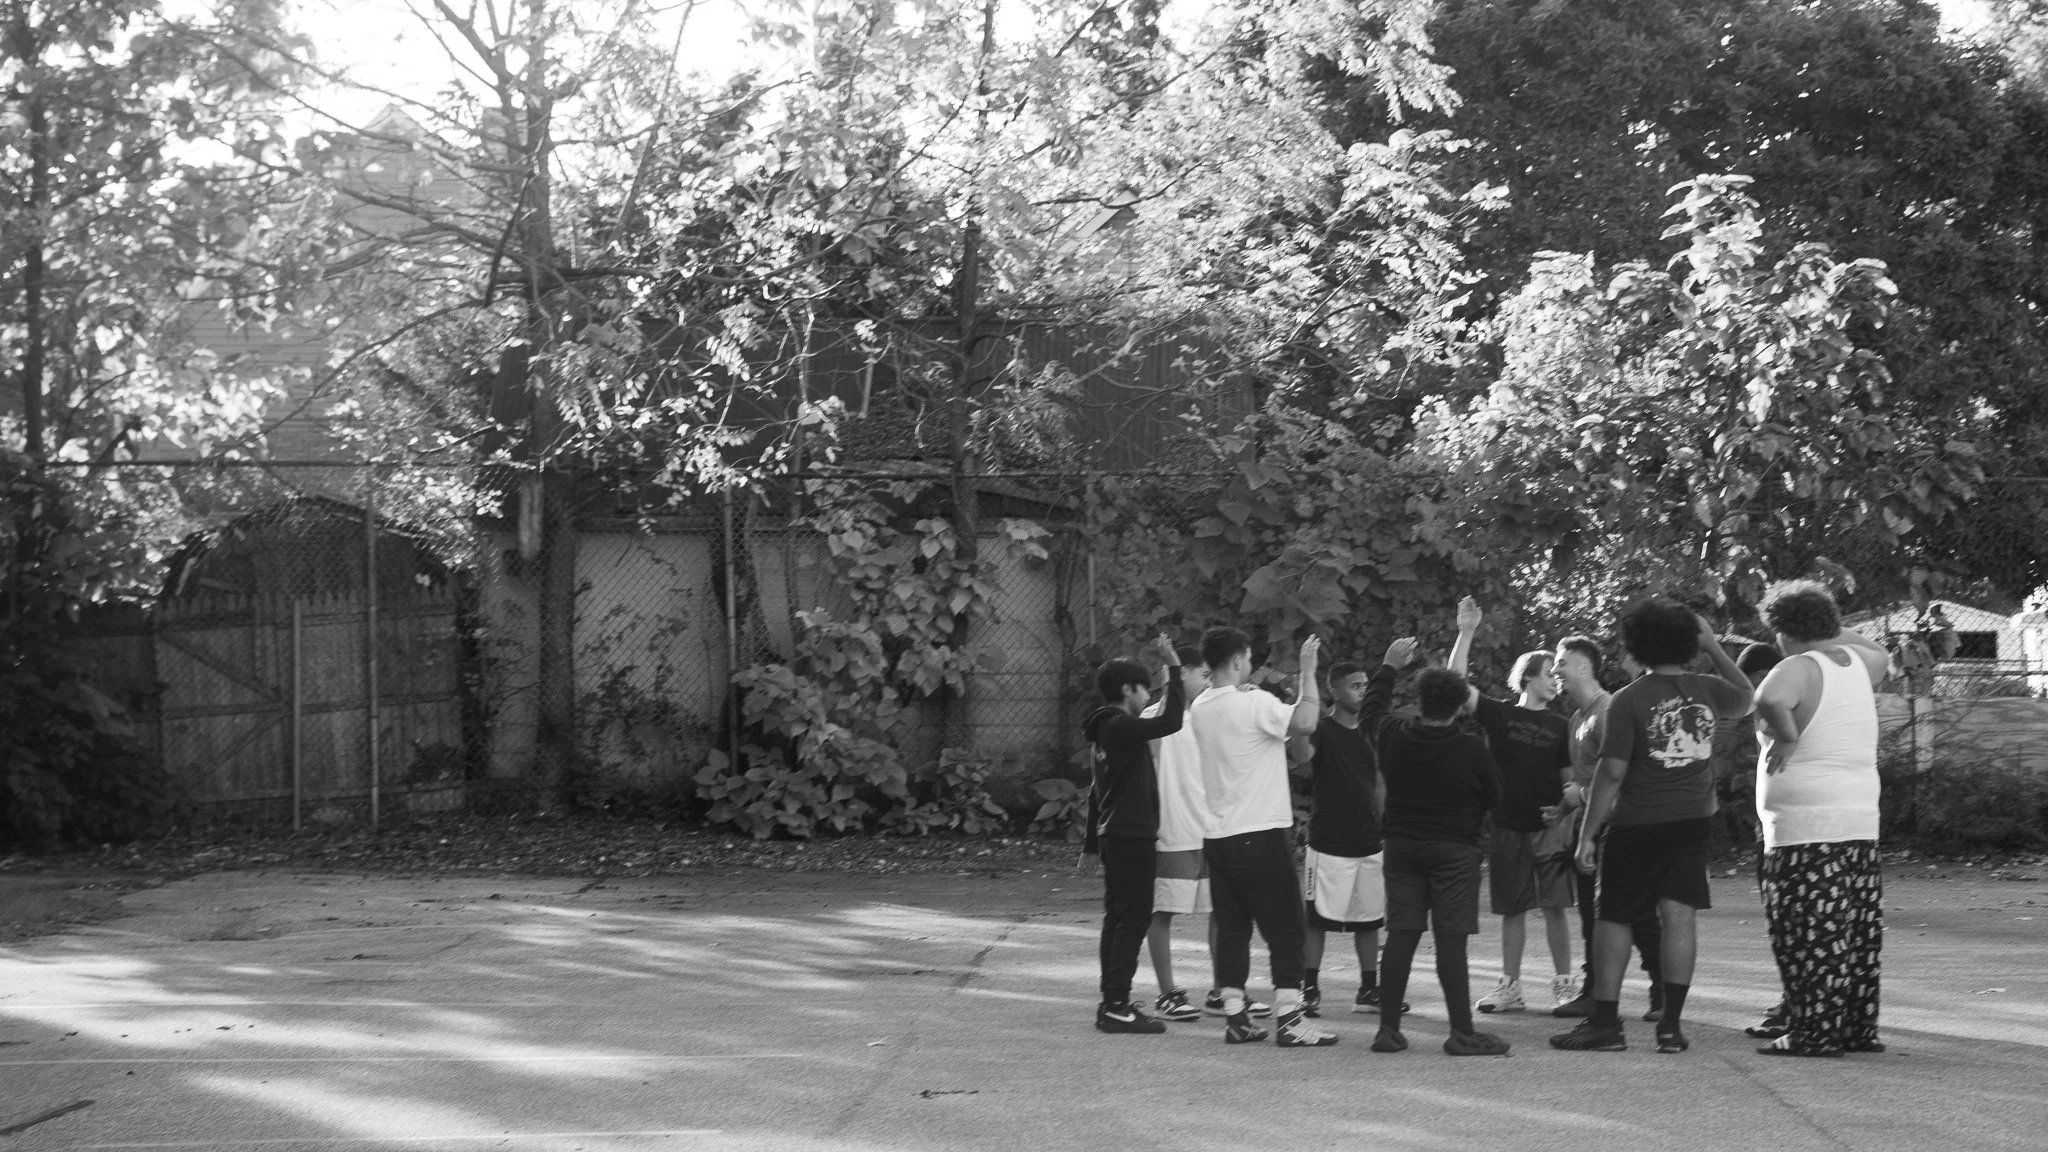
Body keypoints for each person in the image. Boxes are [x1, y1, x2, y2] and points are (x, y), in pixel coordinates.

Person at [1551, 599, 1752, 1055]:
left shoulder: (1628, 701)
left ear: (1636, 646)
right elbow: (1745, 697)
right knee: (1678, 916)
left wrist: (1587, 835)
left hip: (1637, 823)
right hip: (1692, 823)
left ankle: (1605, 1023)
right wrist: (1714, 646)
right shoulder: (1705, 688)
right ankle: (1671, 1028)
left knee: (1614, 917)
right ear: (1687, 643)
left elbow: (1611, 773)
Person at [1752, 581, 1890, 1057]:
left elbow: (1767, 699)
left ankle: (1815, 1033)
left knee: (1806, 932)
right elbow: (1881, 651)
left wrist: (1788, 734)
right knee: (1852, 930)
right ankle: (1853, 1027)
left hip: (1805, 828)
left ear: (1783, 631)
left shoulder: (1797, 666)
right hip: (1857, 821)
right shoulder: (1858, 664)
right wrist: (1831, 629)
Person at [1362, 637, 1510, 1057]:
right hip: (1454, 851)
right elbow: (1495, 795)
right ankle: (1461, 1032)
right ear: (1461, 706)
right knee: (1451, 940)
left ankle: (1388, 1029)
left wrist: (1389, 664)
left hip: (1402, 846)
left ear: (1419, 700)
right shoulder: (1470, 749)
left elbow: (1372, 710)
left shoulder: (1393, 734)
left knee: (1402, 935)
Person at [1190, 627, 1337, 1047]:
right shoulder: (1253, 702)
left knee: (1233, 927)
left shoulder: (1200, 705)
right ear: (1237, 660)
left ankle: (1235, 1017)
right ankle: (1290, 1018)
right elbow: (1306, 722)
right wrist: (1308, 672)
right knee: (1288, 927)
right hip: (1259, 830)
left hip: (1218, 835)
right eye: (1248, 658)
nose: (1251, 665)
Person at [1447, 599, 1575, 1015]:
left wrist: (1566, 808)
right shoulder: (1499, 715)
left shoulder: (1561, 725)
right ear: (1528, 679)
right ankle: (1510, 987)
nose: (1555, 679)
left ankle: (1564, 985)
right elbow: (1453, 684)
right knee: (1512, 910)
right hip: (1506, 827)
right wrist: (1466, 631)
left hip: (1549, 832)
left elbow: (1569, 781)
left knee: (1556, 908)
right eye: (1548, 673)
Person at [1546, 634, 1664, 1020]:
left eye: (1561, 662)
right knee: (1593, 917)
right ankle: (1594, 990)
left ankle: (1661, 989)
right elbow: (1583, 782)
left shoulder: (1609, 710)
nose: (1555, 671)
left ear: (1583, 667)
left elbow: (1623, 775)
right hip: (1590, 830)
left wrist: (1581, 800)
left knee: (1636, 912)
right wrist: (1564, 811)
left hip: (1623, 828)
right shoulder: (1577, 719)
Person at [1081, 634, 1186, 1034]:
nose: (1148, 697)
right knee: (1133, 918)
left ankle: (1113, 1000)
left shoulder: (1104, 730)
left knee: (1118, 917)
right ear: (1128, 690)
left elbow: (1096, 790)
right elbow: (1171, 721)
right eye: (1145, 689)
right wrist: (1173, 668)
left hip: (1116, 834)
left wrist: (1092, 844)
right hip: (1131, 834)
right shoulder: (1121, 726)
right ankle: (1117, 1005)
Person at [1287, 661, 1391, 1019]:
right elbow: (1300, 758)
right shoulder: (1320, 731)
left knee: (1370, 919)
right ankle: (1309, 989)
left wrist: (1385, 826)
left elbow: (1379, 781)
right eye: (1354, 686)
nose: (1362, 691)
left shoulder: (1372, 731)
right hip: (1328, 839)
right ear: (1335, 691)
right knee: (1317, 919)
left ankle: (1368, 989)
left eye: (1365, 685)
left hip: (1368, 839)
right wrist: (1304, 691)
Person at [1142, 646, 1213, 1022]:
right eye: (1203, 676)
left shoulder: (1211, 715)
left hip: (1213, 829)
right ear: (1180, 672)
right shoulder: (1153, 718)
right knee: (1163, 911)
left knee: (1225, 909)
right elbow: (1149, 773)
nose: (1208, 684)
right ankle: (1167, 992)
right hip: (1173, 830)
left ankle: (1224, 989)